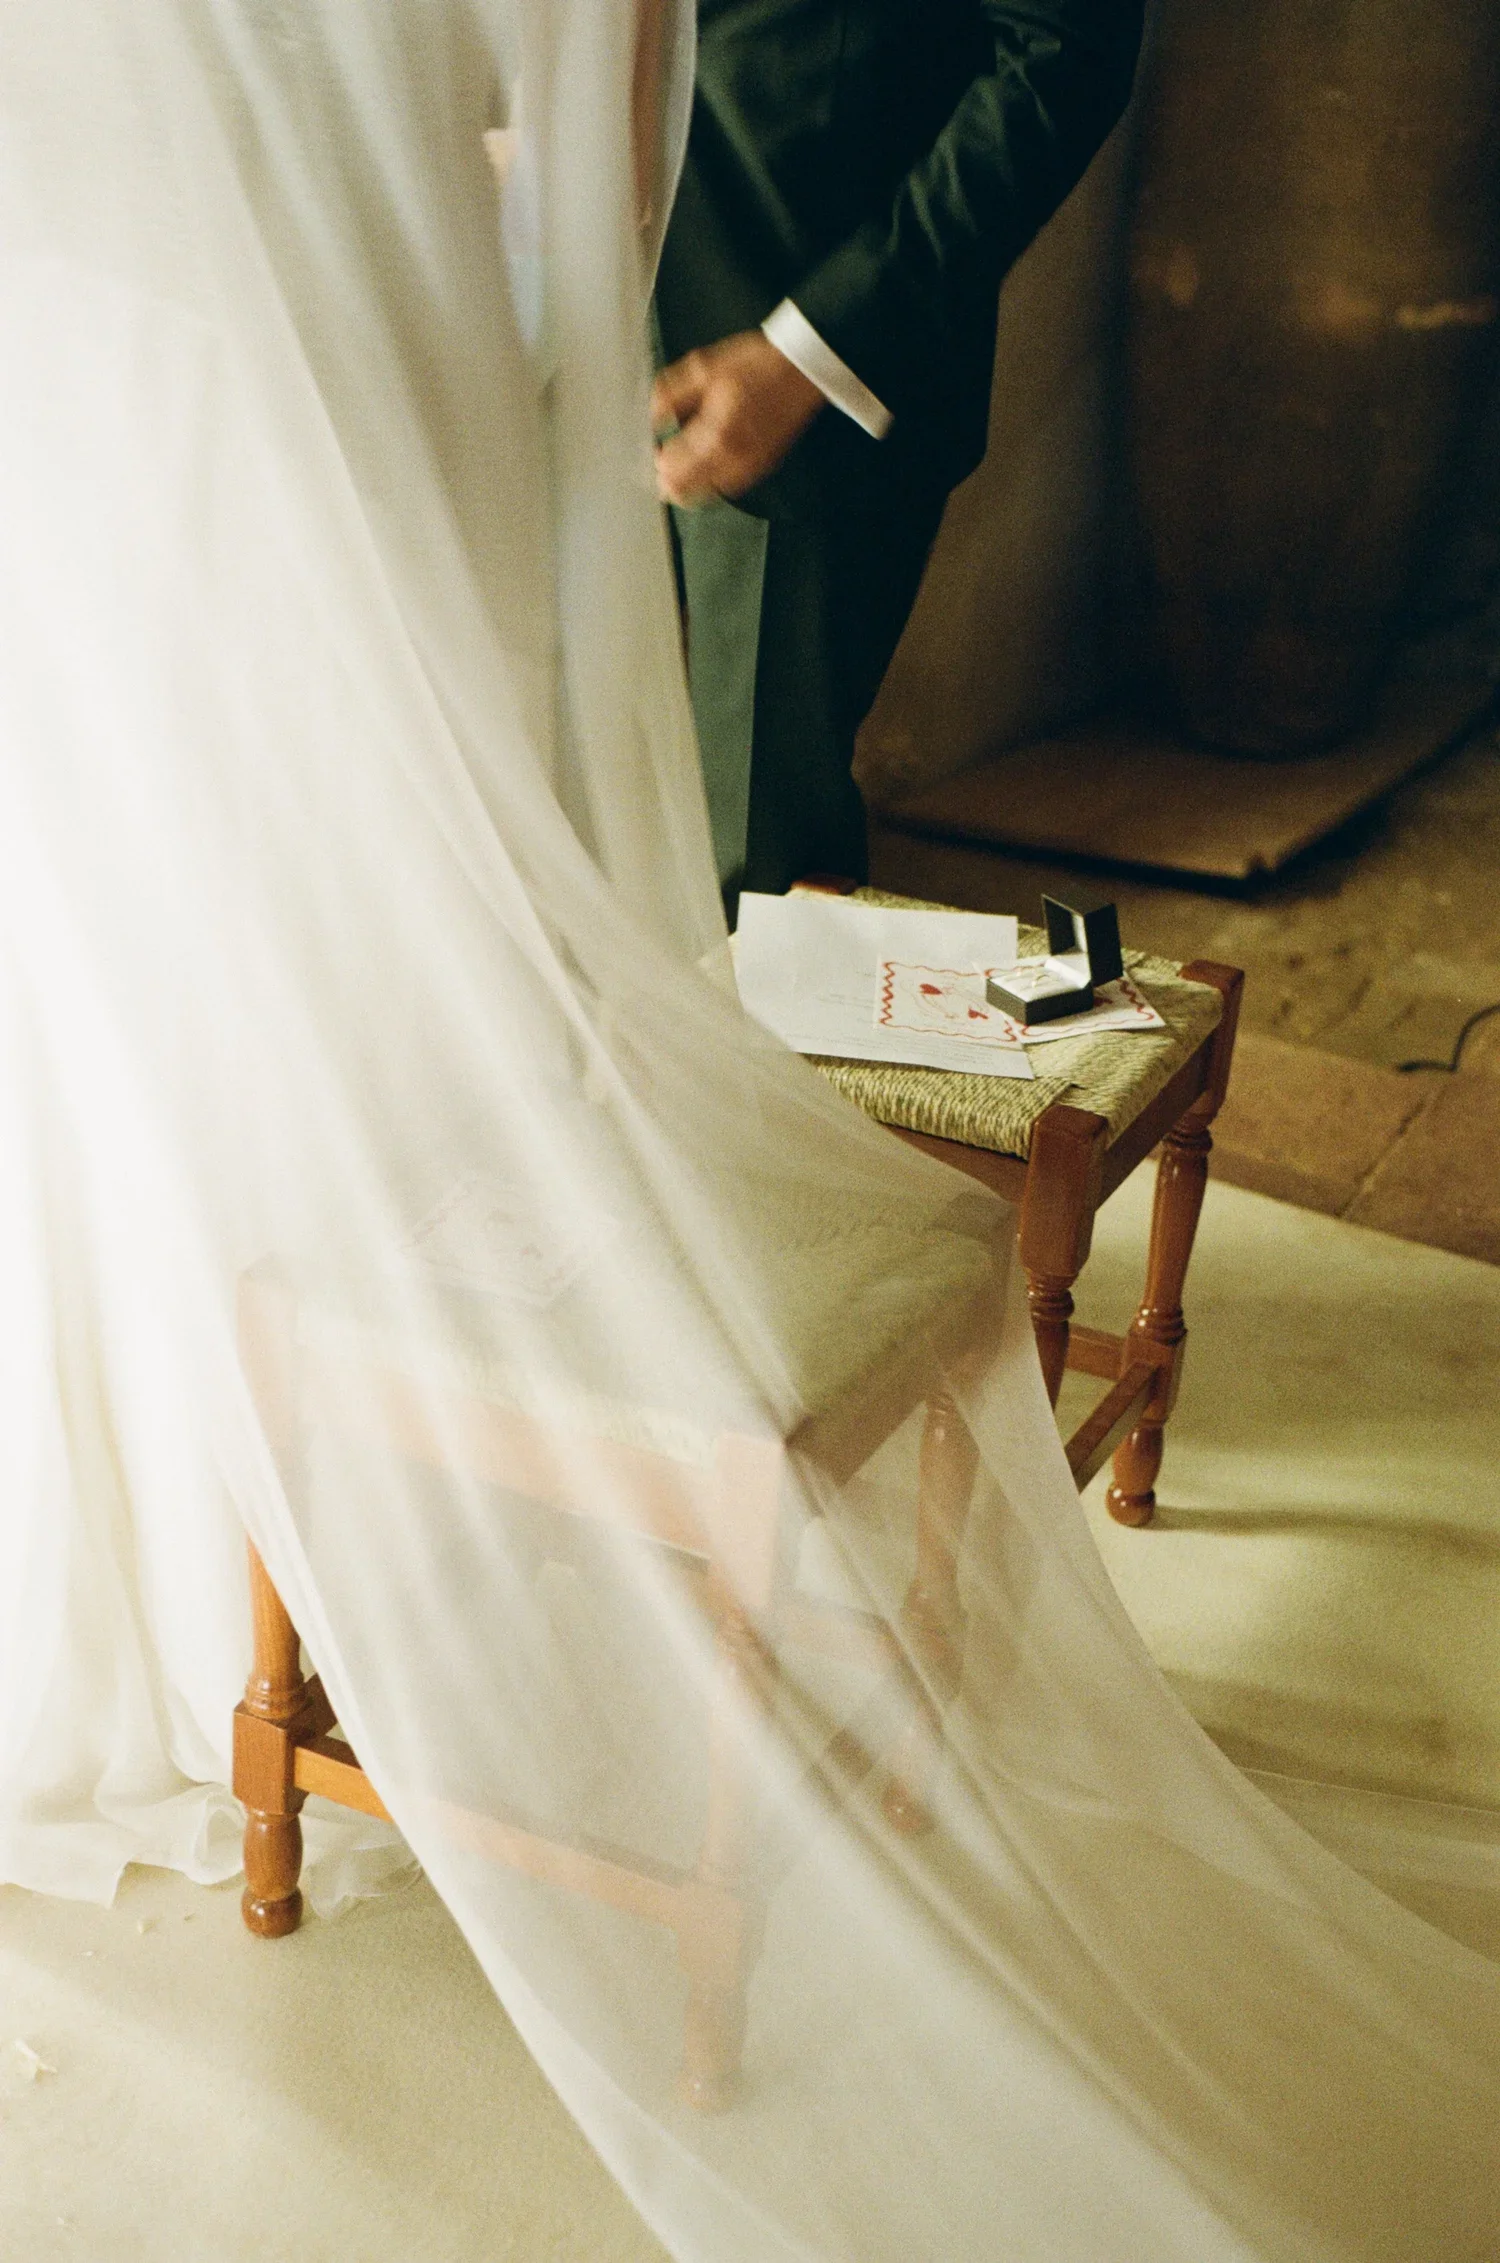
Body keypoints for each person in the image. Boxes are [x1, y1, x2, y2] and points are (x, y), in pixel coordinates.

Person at [1, 6, 1498, 2261]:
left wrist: (787, 339)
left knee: (723, 928)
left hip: (746, 368)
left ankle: (671, 1472)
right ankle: (435, 1486)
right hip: (411, 366)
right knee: (460, 970)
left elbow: (1047, 44)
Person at [652, 0, 1146, 902]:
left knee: (757, 877)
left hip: (788, 359)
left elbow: (1065, 56)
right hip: (531, 320)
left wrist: (814, 348)